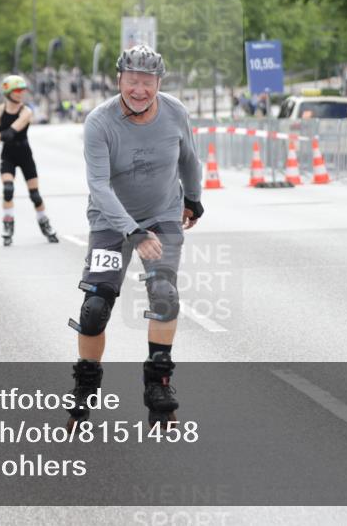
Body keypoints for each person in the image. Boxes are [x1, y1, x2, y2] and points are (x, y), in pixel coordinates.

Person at [66, 44, 204, 429]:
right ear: (118, 80)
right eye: (131, 81)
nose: (139, 89)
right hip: (111, 221)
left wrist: (193, 198)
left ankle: (158, 385)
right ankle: (86, 385)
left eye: (147, 82)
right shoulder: (100, 122)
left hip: (162, 215)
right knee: (95, 309)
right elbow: (98, 185)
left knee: (164, 294)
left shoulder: (175, 111)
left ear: (159, 83)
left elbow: (189, 159)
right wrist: (132, 231)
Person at [0, 75, 58, 246]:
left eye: (22, 90)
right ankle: (8, 225)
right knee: (8, 189)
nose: (20, 94)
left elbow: (10, 133)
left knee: (35, 195)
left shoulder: (26, 111)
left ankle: (45, 223)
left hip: (24, 154)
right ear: (8, 92)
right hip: (8, 155)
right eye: (17, 90)